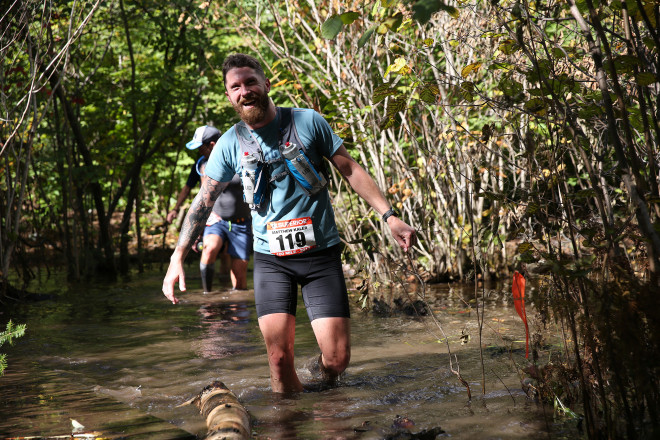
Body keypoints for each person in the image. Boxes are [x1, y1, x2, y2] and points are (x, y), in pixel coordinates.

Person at [162, 53, 416, 393]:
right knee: (279, 361)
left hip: (320, 255)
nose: (244, 91)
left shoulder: (307, 122)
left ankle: (323, 389)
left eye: (250, 82)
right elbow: (203, 200)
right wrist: (177, 256)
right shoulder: (228, 144)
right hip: (271, 261)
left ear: (266, 85)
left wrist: (390, 216)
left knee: (338, 359)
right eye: (235, 87)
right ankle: (289, 424)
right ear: (229, 96)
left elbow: (350, 169)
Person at [167, 125, 252, 291]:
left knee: (240, 275)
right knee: (209, 249)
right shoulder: (201, 165)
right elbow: (193, 192)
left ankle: (237, 308)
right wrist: (177, 211)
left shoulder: (241, 160)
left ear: (212, 145)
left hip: (241, 223)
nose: (199, 152)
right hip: (216, 219)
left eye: (201, 148)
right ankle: (208, 297)